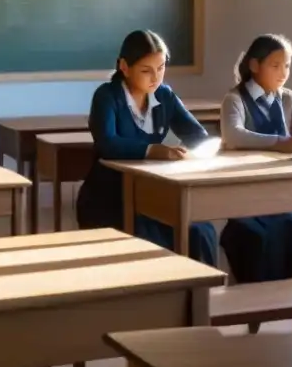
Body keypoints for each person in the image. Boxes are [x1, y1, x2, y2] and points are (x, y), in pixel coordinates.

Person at [77, 30, 218, 266]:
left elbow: (197, 135)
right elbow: (107, 143)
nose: (156, 77)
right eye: (146, 70)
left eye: (161, 68)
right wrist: (153, 150)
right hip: (110, 196)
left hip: (152, 191)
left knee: (200, 230)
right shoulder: (107, 96)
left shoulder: (164, 95)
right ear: (124, 66)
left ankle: (200, 295)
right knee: (147, 235)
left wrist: (200, 152)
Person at [219, 34, 292, 283]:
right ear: (254, 65)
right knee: (254, 237)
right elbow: (233, 135)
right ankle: (256, 301)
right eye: (275, 65)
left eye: (287, 65)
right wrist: (279, 143)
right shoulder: (235, 99)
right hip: (244, 194)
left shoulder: (287, 99)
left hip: (279, 194)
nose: (283, 72)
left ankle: (291, 297)